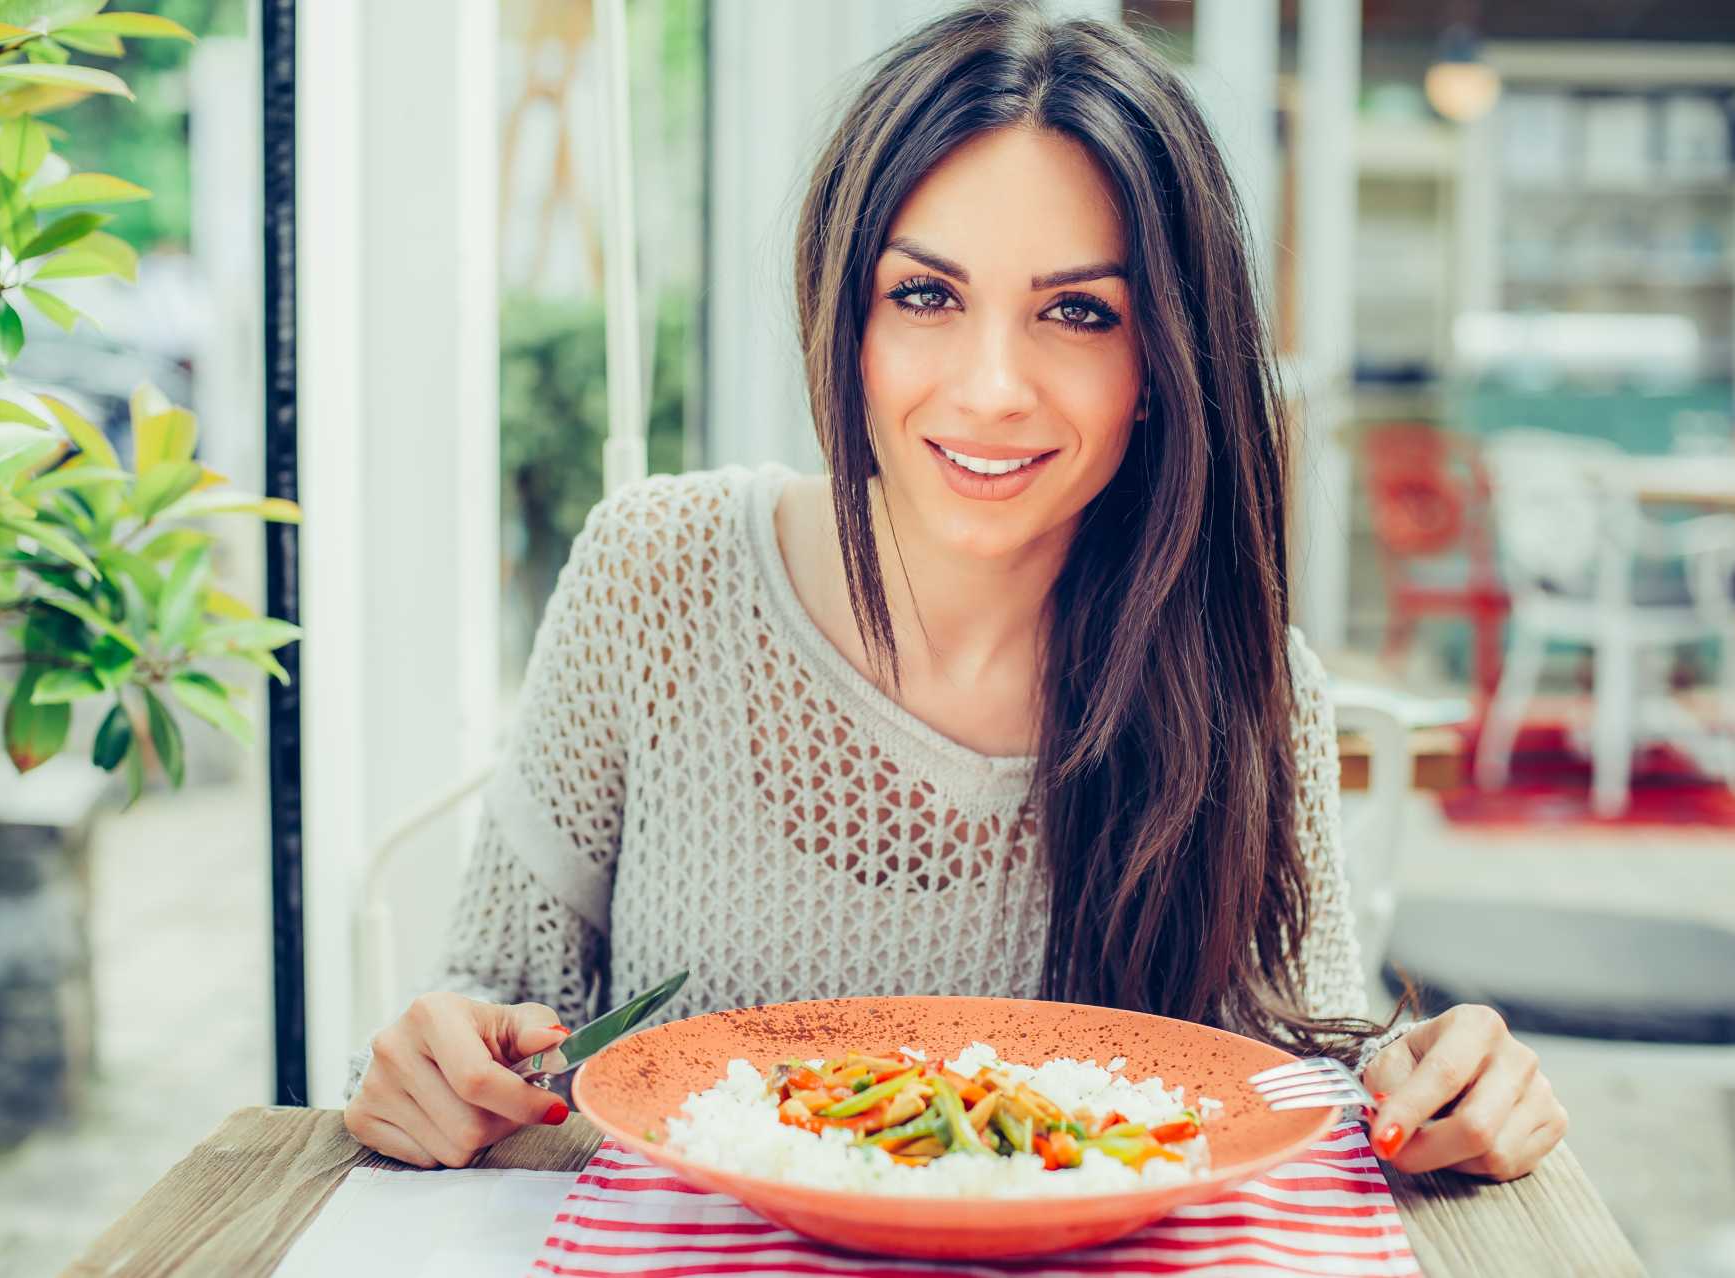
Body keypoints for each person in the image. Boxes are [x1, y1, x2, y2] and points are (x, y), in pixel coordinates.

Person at [344, 0, 1566, 1183]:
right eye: (925, 295)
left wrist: (1435, 1098)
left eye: (1079, 313)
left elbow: (1294, 1101)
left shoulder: (1243, 684)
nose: (992, 388)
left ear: (1161, 365)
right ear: (846, 316)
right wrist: (435, 1069)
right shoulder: (654, 577)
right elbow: (493, 1031)